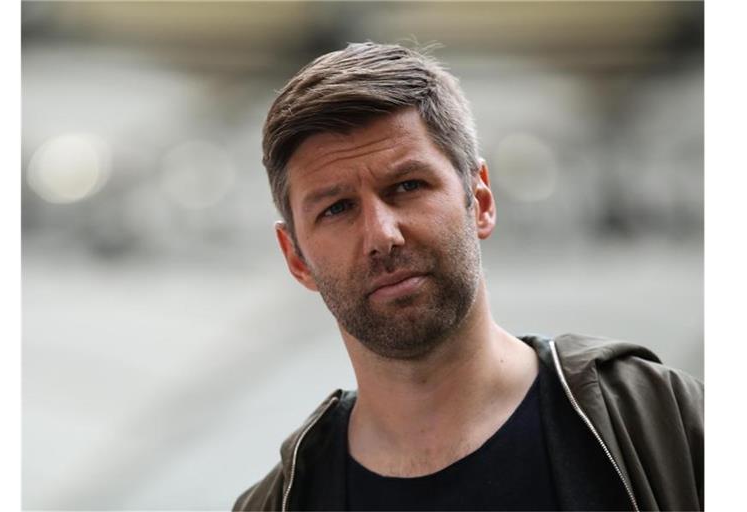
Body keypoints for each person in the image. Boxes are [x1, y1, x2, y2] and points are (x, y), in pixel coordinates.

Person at [233, 42, 703, 512]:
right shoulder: (280, 503)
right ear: (295, 257)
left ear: (480, 202)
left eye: (407, 186)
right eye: (337, 208)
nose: (382, 234)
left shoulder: (660, 423)